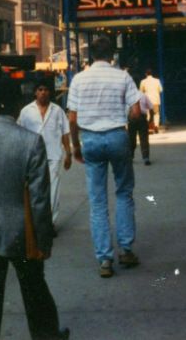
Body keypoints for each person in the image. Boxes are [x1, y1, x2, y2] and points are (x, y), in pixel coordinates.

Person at [0, 76, 69, 340]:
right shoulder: (31, 142)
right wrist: (43, 241)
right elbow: (40, 200)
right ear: (18, 104)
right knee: (35, 290)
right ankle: (47, 336)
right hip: (22, 231)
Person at [67, 35, 141, 278]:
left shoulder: (79, 79)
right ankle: (126, 250)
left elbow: (73, 118)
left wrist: (76, 146)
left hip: (90, 140)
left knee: (97, 201)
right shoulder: (123, 76)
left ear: (91, 56)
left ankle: (105, 260)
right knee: (124, 192)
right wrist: (128, 135)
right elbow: (137, 112)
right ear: (112, 55)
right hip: (117, 136)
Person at [18, 79, 71, 234]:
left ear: (50, 92)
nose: (43, 92)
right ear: (35, 92)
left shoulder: (57, 110)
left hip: (53, 154)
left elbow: (65, 132)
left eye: (46, 89)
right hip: (32, 156)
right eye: (40, 89)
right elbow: (20, 133)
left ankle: (50, 223)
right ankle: (35, 222)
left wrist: (69, 153)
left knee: (53, 190)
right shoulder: (26, 111)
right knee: (35, 189)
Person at [127, 90, 152, 166]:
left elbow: (125, 109)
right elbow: (150, 107)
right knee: (144, 138)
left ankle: (130, 157)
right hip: (142, 118)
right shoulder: (143, 95)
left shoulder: (128, 96)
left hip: (131, 119)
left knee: (131, 138)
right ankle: (146, 158)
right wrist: (151, 119)